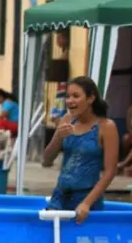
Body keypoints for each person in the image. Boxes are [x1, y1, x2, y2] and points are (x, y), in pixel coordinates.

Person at [43, 76, 118, 224]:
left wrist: (86, 203)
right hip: (59, 197)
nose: (70, 100)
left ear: (90, 98)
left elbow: (110, 171)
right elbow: (46, 160)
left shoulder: (106, 127)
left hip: (86, 197)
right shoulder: (66, 120)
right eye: (68, 96)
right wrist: (57, 136)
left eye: (76, 96)